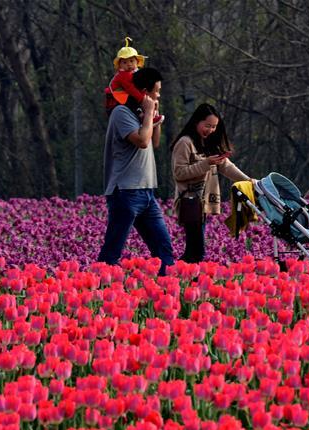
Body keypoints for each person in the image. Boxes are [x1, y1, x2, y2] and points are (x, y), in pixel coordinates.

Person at [97, 67, 175, 276]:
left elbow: (154, 142)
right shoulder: (121, 112)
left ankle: (168, 293)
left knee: (164, 249)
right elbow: (141, 141)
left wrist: (154, 118)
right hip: (125, 192)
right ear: (144, 91)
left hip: (146, 192)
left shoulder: (142, 114)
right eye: (156, 91)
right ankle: (97, 290)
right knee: (112, 253)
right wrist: (149, 114)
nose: (158, 95)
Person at [170, 103, 251, 263]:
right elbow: (179, 173)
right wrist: (206, 163)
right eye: (208, 125)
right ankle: (180, 276)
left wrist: (249, 181)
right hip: (190, 202)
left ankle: (182, 275)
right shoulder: (185, 143)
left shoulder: (208, 142)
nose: (211, 130)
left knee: (194, 249)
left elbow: (226, 167)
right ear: (196, 122)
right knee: (196, 251)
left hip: (203, 203)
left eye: (214, 127)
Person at [105, 37, 163, 125]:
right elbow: (131, 89)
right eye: (124, 62)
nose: (129, 64)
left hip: (126, 94)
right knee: (133, 101)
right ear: (120, 65)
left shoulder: (135, 73)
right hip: (117, 97)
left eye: (131, 61)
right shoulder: (123, 75)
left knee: (141, 98)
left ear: (137, 62)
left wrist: (146, 94)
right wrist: (142, 99)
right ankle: (142, 117)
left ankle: (151, 115)